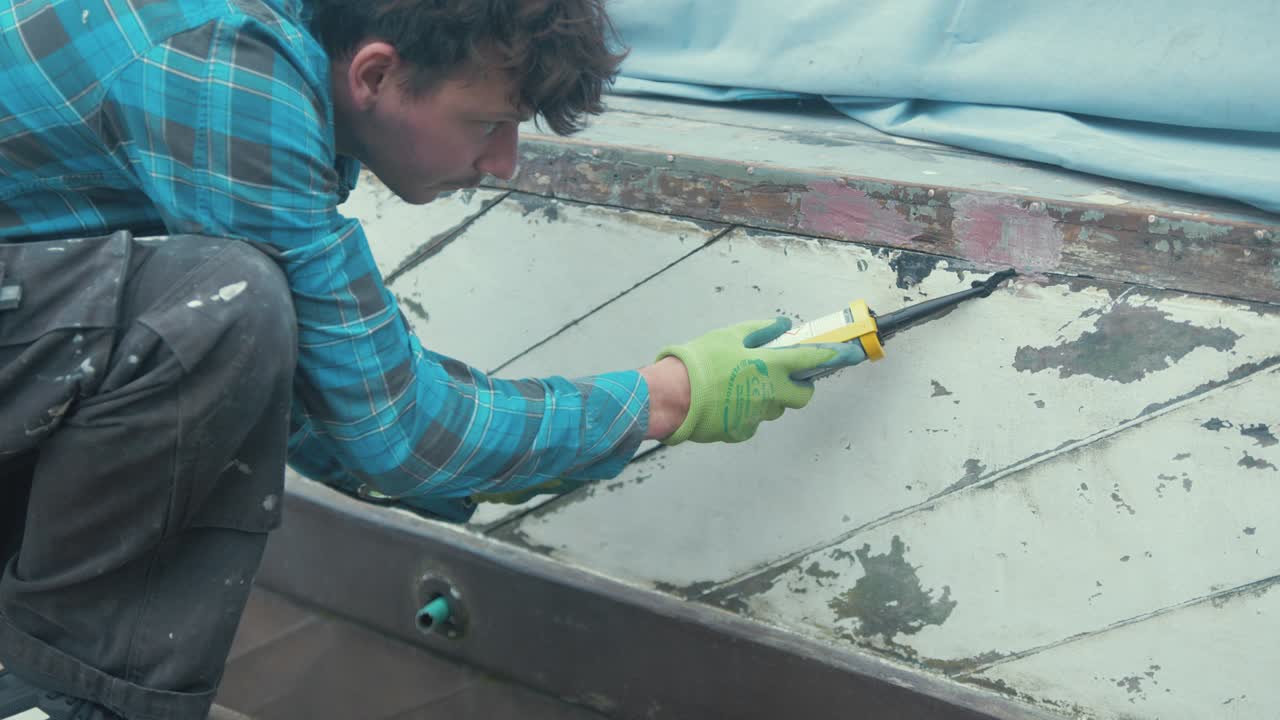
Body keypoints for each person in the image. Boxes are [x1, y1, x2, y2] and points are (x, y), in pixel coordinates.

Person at [0, 1, 854, 718]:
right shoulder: (225, 76)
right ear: (374, 74)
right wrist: (664, 399)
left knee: (224, 311)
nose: (502, 164)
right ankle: (58, 698)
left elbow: (295, 387)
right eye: (487, 124)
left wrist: (471, 471)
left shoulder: (255, 42)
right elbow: (394, 429)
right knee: (225, 300)